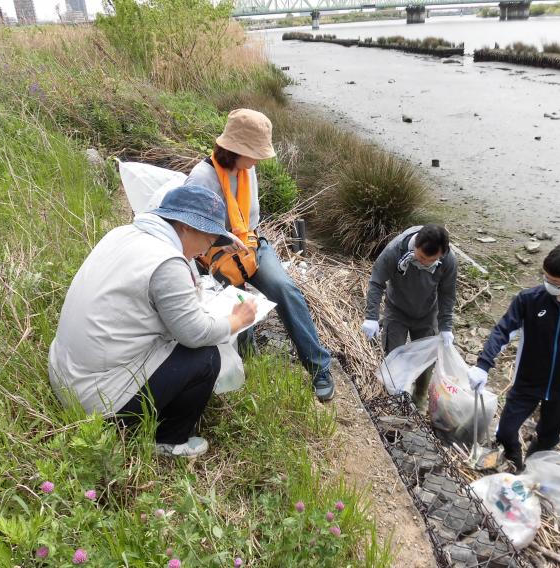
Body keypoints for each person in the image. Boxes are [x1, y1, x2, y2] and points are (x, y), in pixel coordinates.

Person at [48, 185, 258, 458]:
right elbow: (195, 333)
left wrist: (217, 237)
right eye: (209, 240)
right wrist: (235, 320)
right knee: (205, 357)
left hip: (64, 375)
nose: (206, 251)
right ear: (185, 226)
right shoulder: (167, 262)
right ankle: (169, 441)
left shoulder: (122, 235)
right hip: (96, 400)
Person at [186, 108, 335, 402]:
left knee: (285, 289)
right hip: (216, 254)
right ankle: (246, 360)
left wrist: (246, 244)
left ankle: (319, 368)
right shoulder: (202, 178)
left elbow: (250, 219)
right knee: (239, 305)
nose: (257, 161)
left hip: (251, 244)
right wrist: (222, 243)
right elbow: (191, 229)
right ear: (235, 149)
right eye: (253, 153)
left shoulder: (247, 170)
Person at [467, 245, 560, 472]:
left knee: (548, 439)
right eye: (546, 278)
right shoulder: (529, 300)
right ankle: (515, 461)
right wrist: (483, 364)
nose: (549, 285)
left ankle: (531, 471)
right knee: (506, 431)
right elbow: (502, 331)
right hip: (528, 380)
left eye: (556, 283)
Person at [362, 224, 458, 411]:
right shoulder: (395, 251)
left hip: (428, 313)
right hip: (397, 310)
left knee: (426, 360)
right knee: (393, 355)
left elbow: (448, 294)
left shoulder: (448, 260)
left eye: (431, 261)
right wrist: (371, 317)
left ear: (442, 253)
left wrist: (446, 326)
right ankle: (393, 397)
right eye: (421, 257)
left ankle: (420, 396)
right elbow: (376, 282)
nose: (424, 263)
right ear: (416, 245)